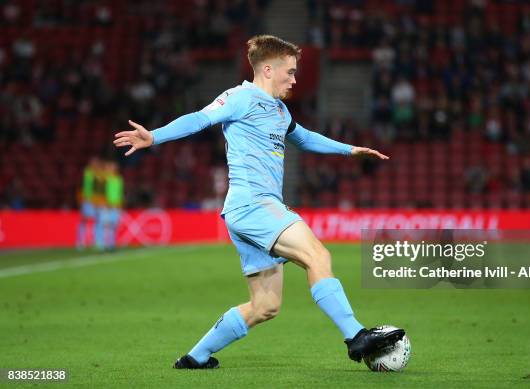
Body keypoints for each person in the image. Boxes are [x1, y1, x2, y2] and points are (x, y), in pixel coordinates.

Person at [113, 35, 404, 369]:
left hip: (249, 211)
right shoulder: (240, 98)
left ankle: (195, 357)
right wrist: (155, 136)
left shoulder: (280, 110)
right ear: (267, 69)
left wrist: (349, 150)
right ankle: (356, 336)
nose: (295, 80)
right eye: (290, 72)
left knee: (265, 305)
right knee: (317, 255)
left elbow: (304, 137)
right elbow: (198, 118)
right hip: (253, 204)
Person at [101, 160, 123, 250]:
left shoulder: (119, 179)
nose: (111, 168)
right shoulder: (105, 179)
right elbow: (102, 192)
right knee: (106, 226)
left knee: (114, 226)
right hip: (107, 205)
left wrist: (119, 204)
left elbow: (119, 193)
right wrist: (105, 203)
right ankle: (105, 245)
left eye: (112, 167)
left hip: (116, 205)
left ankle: (111, 244)